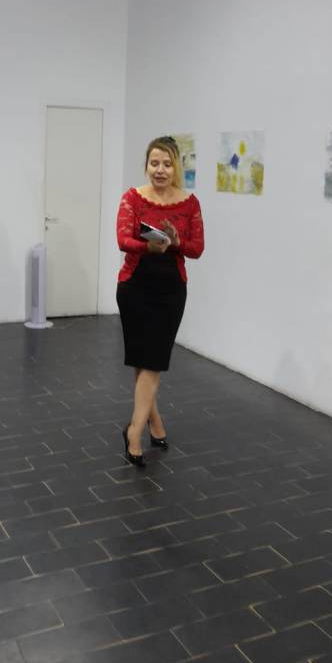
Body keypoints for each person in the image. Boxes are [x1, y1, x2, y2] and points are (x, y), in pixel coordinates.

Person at [115, 136, 205, 466]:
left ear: (176, 167)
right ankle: (149, 424)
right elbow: (123, 239)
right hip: (134, 287)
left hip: (170, 290)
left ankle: (134, 431)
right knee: (144, 360)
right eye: (154, 163)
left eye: (167, 164)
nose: (160, 170)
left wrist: (177, 242)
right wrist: (148, 246)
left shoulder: (190, 203)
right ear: (147, 166)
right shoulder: (132, 198)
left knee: (153, 360)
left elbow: (197, 248)